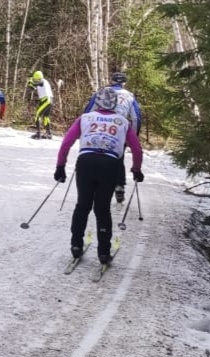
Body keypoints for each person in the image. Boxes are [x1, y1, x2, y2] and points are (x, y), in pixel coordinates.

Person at [55, 87, 144, 264]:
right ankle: (103, 252)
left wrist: (60, 166)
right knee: (102, 209)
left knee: (82, 205)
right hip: (110, 164)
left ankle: (76, 245)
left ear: (97, 101)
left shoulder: (85, 118)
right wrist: (136, 169)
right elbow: (136, 149)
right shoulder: (122, 122)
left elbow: (66, 143)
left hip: (86, 161)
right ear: (115, 104)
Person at [83, 71, 143, 203]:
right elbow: (135, 117)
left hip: (99, 126)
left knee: (94, 154)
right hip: (119, 128)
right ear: (124, 83)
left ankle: (93, 185)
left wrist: (86, 128)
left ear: (112, 81)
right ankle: (119, 186)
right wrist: (133, 136)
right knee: (117, 159)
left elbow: (89, 110)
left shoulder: (103, 92)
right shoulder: (130, 96)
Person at [26, 70, 54, 139]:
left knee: (37, 116)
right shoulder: (40, 82)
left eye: (35, 78)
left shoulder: (42, 81)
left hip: (46, 100)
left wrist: (31, 82)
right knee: (46, 117)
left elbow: (37, 83)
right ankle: (48, 133)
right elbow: (33, 88)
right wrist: (30, 84)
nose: (34, 80)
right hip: (49, 100)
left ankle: (38, 134)